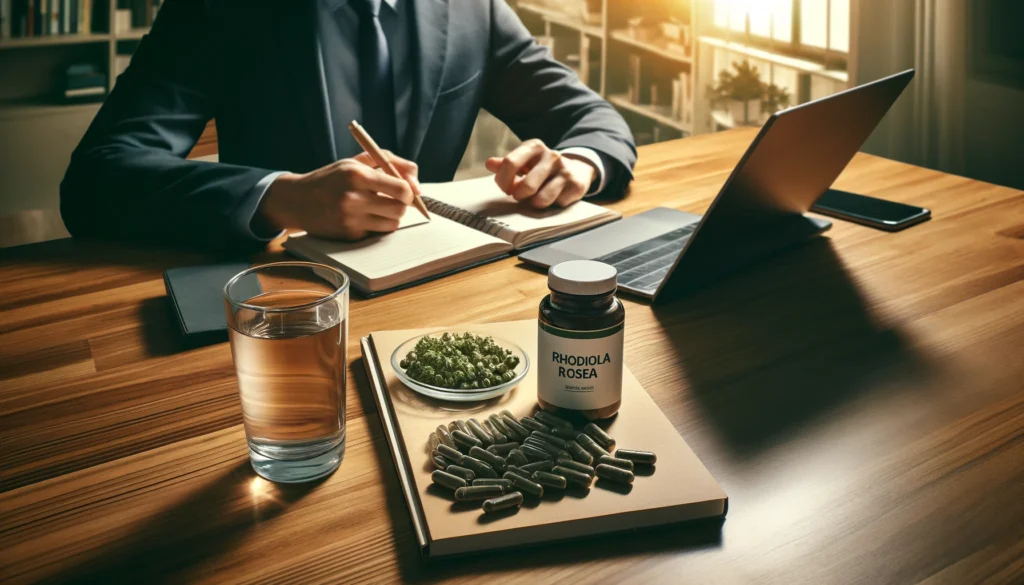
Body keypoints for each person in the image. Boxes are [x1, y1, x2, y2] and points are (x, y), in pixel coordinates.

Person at [60, 0, 637, 251]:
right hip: (285, 308)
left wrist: (578, 165)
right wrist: (280, 198)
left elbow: (593, 120)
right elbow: (97, 179)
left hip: (435, 292)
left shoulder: (473, 10)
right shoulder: (222, 8)